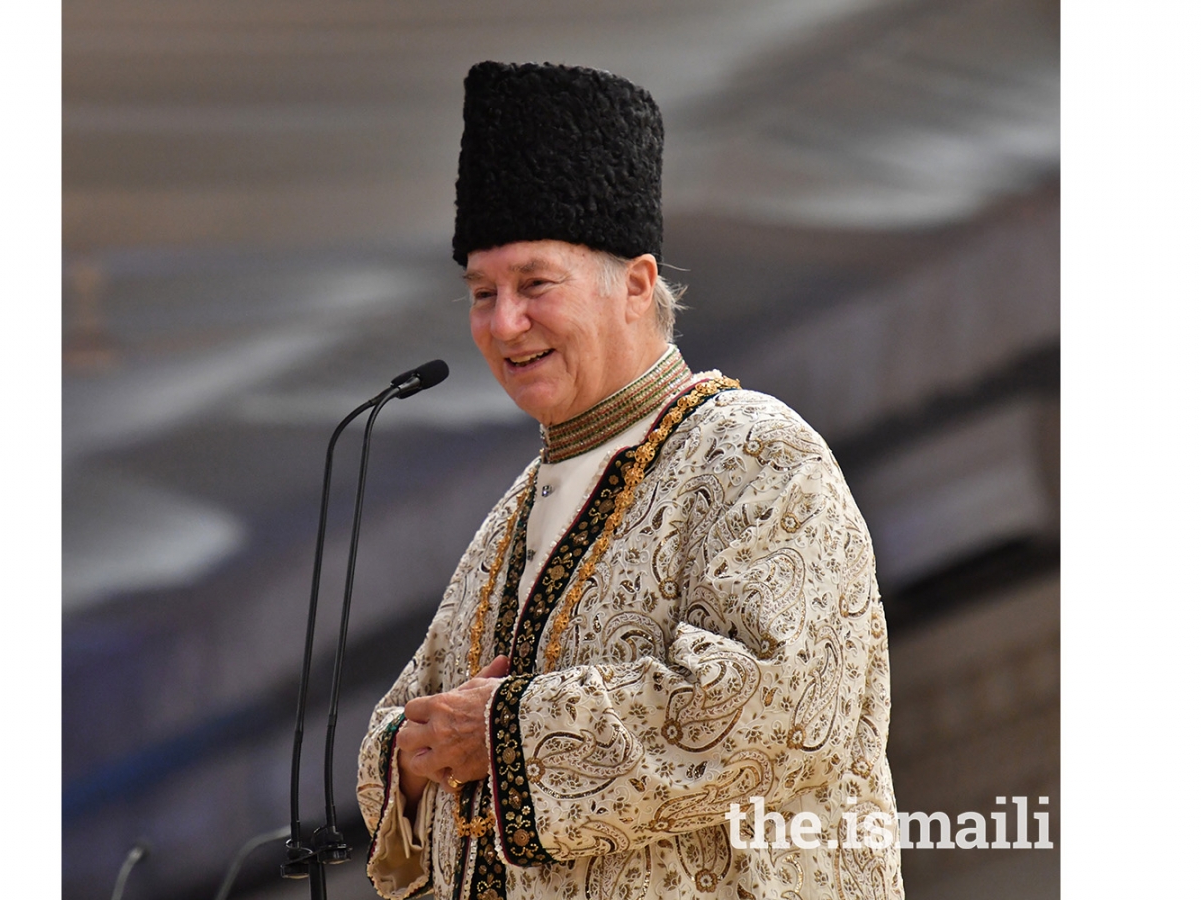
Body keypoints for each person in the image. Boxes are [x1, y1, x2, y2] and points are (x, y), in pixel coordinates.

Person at [357, 60, 904, 900]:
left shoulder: (755, 456)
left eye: (536, 284)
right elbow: (409, 732)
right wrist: (412, 752)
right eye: (481, 292)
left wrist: (502, 732)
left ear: (637, 285)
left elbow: (778, 708)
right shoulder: (506, 525)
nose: (505, 323)